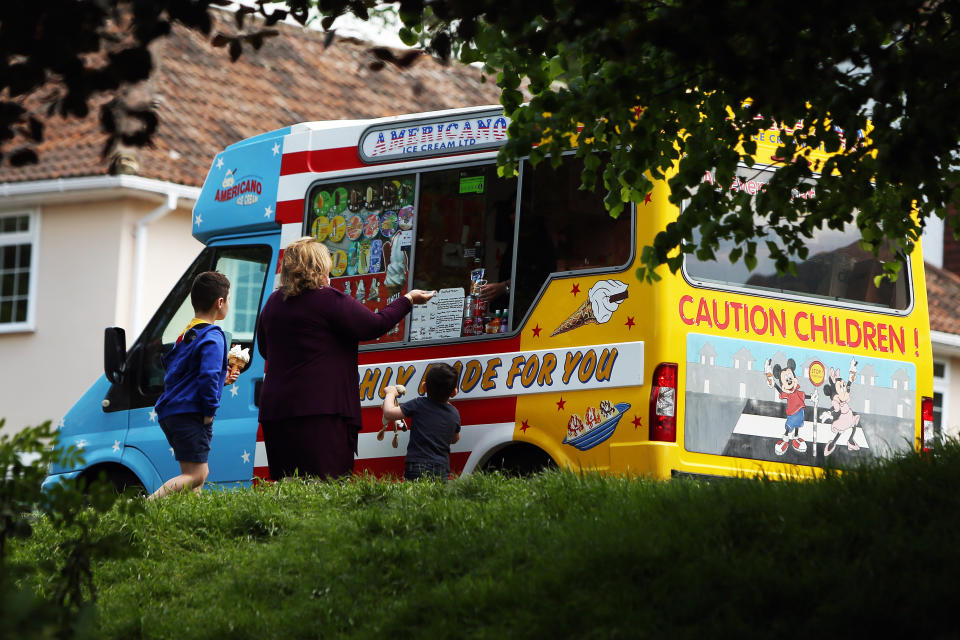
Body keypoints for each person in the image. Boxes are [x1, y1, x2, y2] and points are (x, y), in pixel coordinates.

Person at [257, 236, 435, 480]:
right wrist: (408, 300)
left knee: (287, 485)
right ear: (320, 267)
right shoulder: (328, 299)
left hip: (277, 411)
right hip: (321, 410)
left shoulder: (273, 303)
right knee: (325, 486)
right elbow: (375, 325)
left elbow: (266, 350)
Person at [150, 271, 238, 500]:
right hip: (190, 413)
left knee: (196, 475)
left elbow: (188, 374)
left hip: (173, 410)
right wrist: (209, 412)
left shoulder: (188, 333)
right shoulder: (213, 335)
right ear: (220, 303)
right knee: (196, 475)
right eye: (228, 299)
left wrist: (223, 379)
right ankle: (145, 506)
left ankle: (192, 517)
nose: (228, 304)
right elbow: (207, 378)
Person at [381, 363, 461, 481]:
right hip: (441, 468)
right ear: (454, 392)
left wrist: (390, 394)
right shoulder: (454, 413)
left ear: (424, 387)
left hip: (416, 466)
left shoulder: (419, 404)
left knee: (414, 498)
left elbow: (388, 412)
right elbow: (454, 439)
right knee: (436, 498)